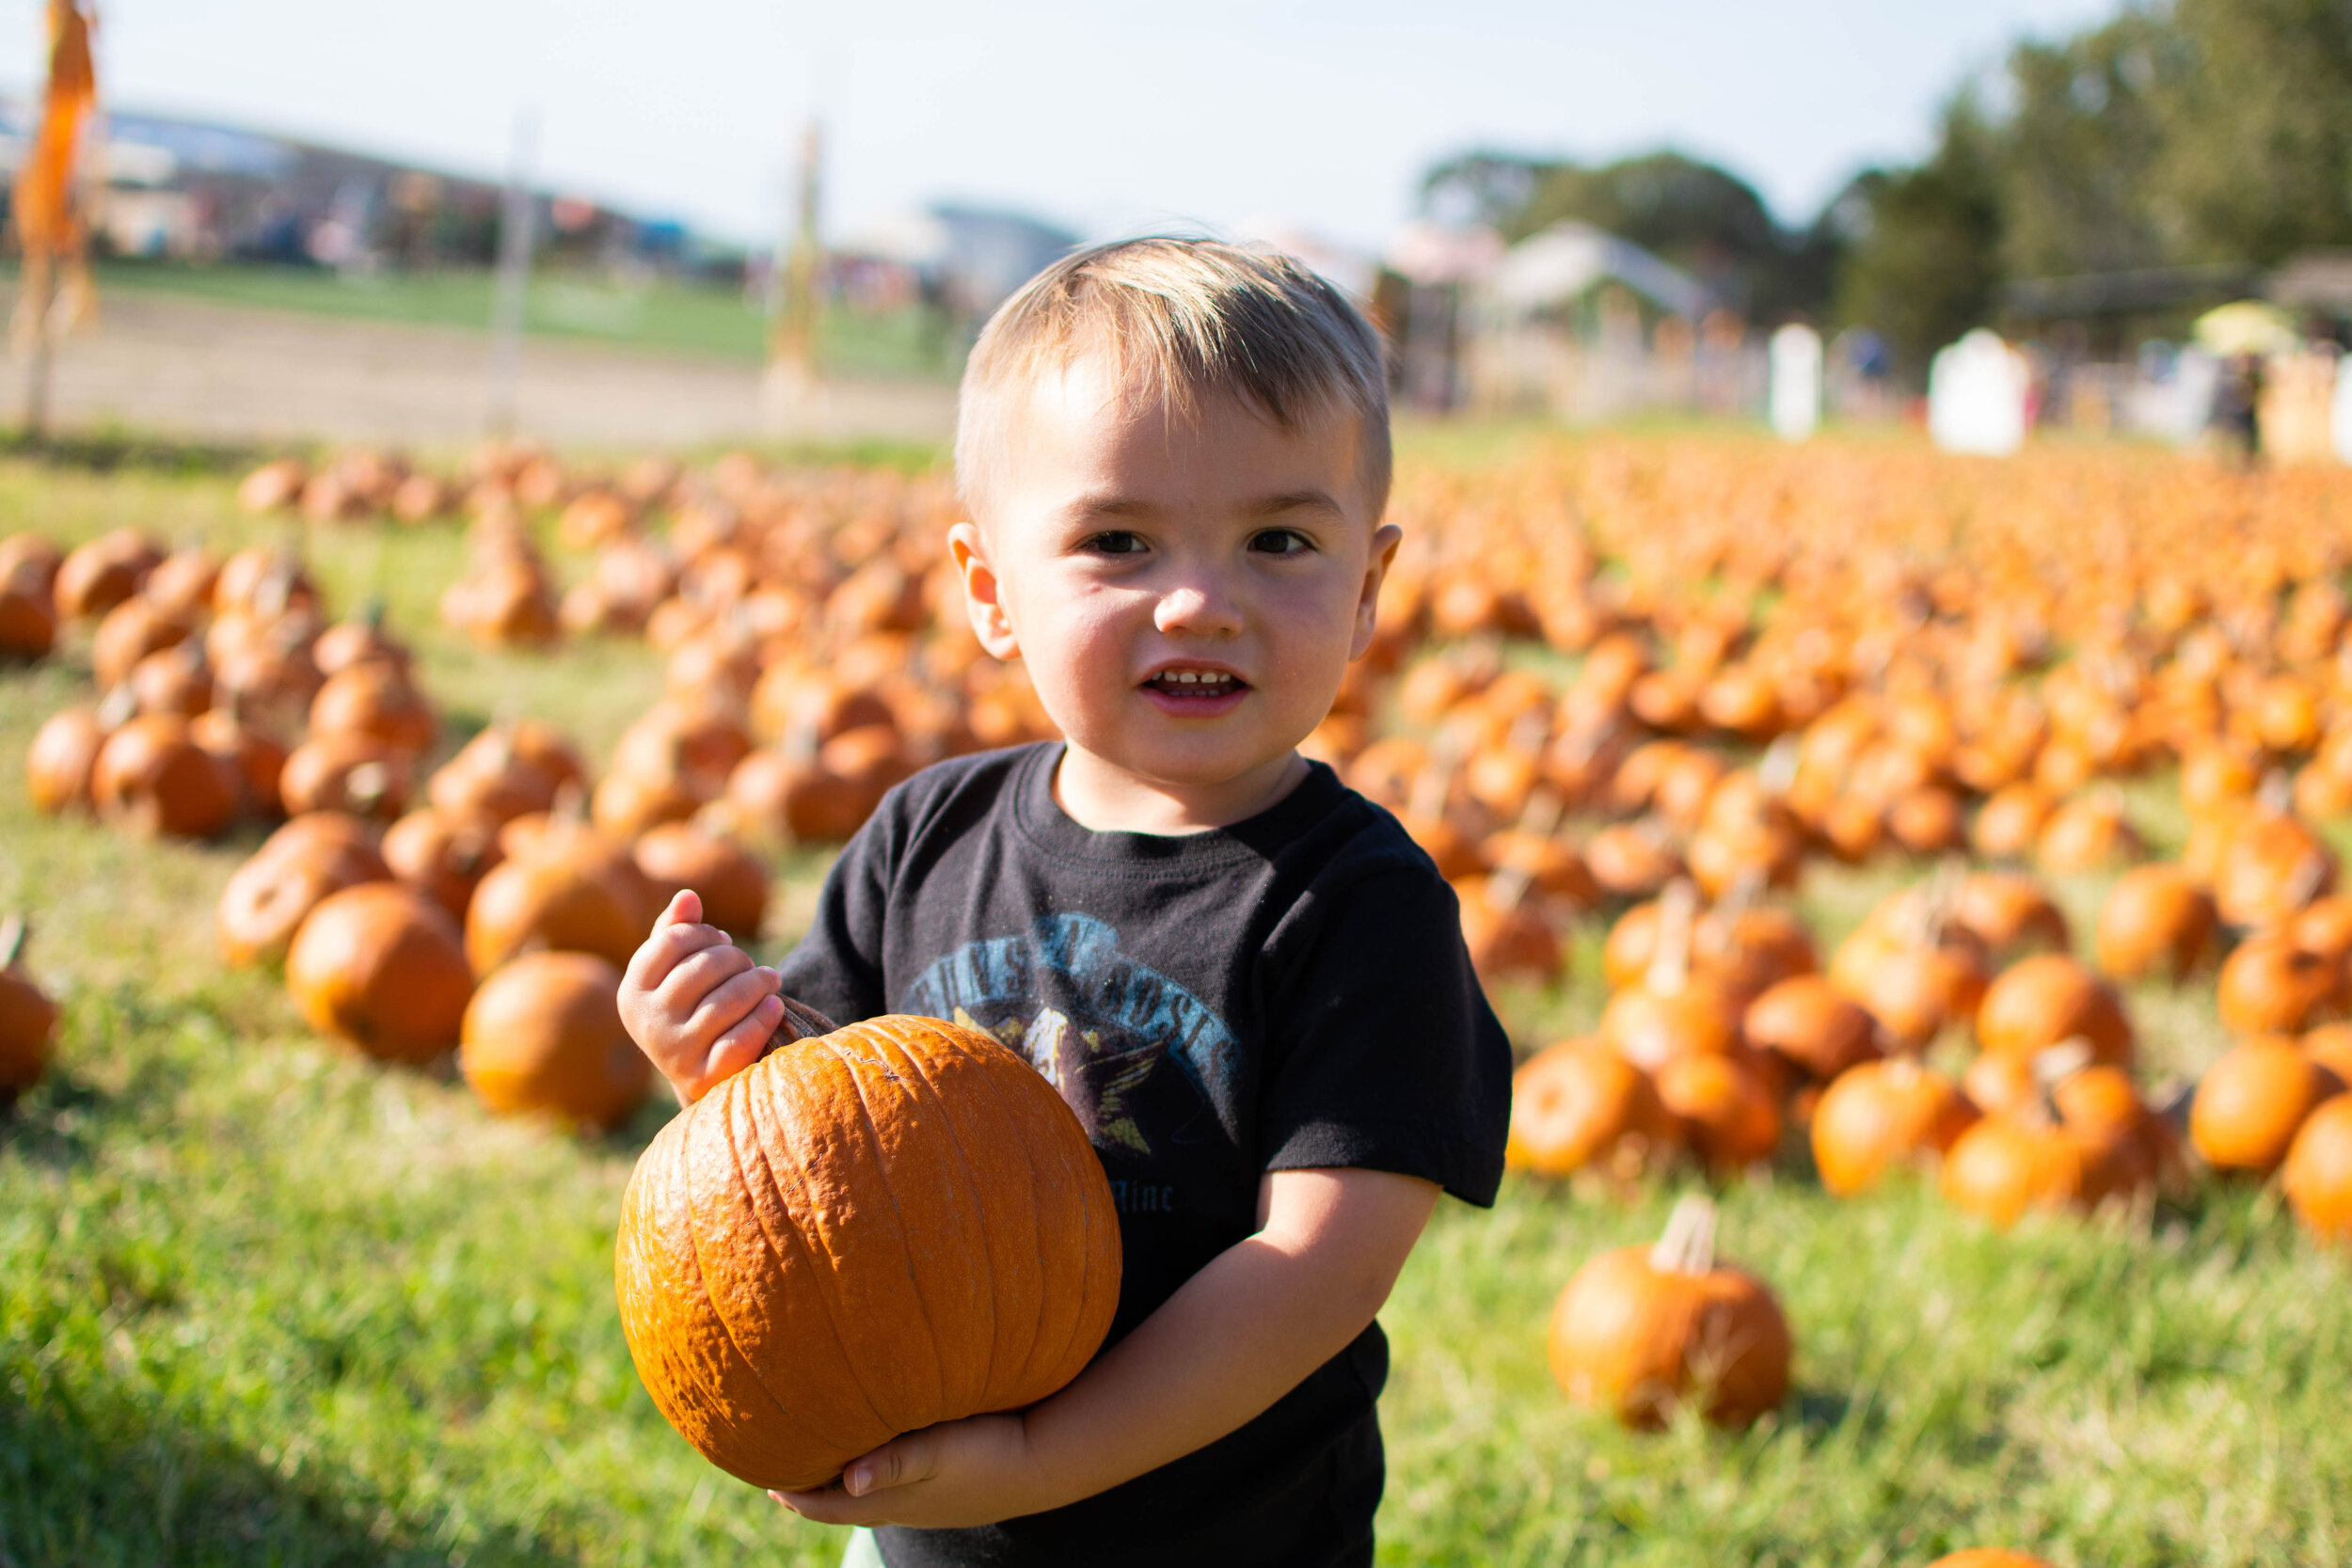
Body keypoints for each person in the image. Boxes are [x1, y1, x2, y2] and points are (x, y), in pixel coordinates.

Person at [618, 236, 1512, 1568]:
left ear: (1367, 588)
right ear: (991, 592)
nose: (1202, 602)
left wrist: (1039, 1463)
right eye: (1118, 542)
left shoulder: (1358, 909)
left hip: (1226, 1544)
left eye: (1279, 539)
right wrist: (710, 1058)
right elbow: (811, 1145)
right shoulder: (928, 836)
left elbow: (1318, 1274)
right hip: (929, 1526)